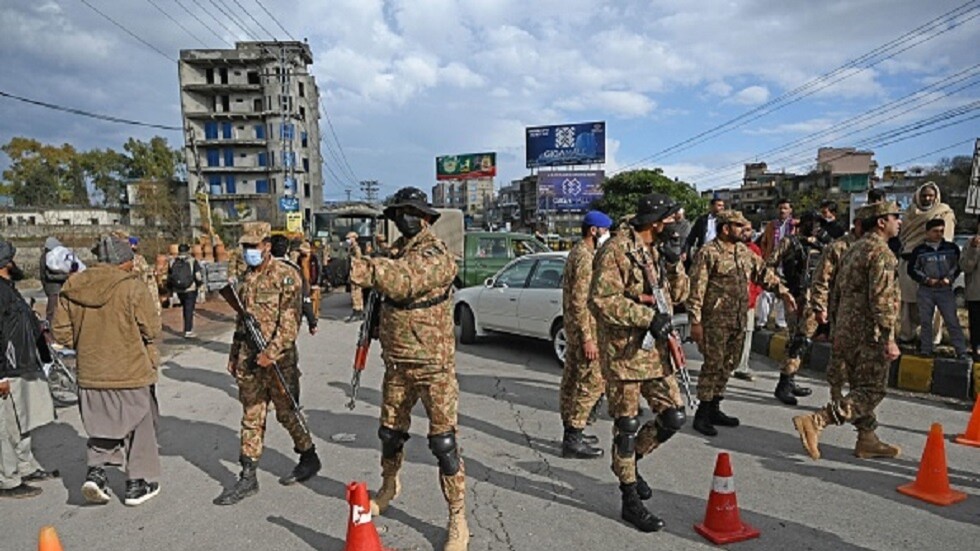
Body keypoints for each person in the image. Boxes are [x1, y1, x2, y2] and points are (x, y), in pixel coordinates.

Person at [349, 187, 468, 551]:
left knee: (443, 443)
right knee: (390, 434)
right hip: (397, 364)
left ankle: (457, 517)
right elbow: (388, 289)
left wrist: (365, 268)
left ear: (426, 218)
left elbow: (406, 280)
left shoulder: (435, 254)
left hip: (433, 366)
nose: (405, 218)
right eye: (400, 212)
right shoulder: (397, 251)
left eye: (412, 212)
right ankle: (389, 485)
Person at [589, 193, 688, 533]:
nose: (675, 224)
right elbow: (601, 301)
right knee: (627, 427)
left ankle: (629, 463)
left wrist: (675, 262)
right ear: (656, 222)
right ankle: (629, 498)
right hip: (625, 354)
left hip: (655, 353)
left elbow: (679, 295)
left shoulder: (656, 250)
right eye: (671, 219)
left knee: (673, 415)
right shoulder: (616, 249)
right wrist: (646, 317)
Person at [214, 222, 320, 506]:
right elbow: (242, 321)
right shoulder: (246, 278)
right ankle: (248, 476)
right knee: (252, 414)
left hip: (278, 361)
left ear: (267, 246)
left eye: (254, 246)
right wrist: (234, 354)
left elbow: (290, 323)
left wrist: (270, 353)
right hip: (249, 358)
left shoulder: (286, 276)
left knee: (287, 413)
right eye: (245, 246)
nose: (249, 251)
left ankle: (308, 455)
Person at [53, 236, 163, 506]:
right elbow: (151, 329)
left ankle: (96, 473)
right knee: (139, 425)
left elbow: (61, 333)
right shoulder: (132, 287)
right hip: (131, 370)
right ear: (124, 261)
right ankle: (137, 483)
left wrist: (89, 342)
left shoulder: (73, 286)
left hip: (91, 372)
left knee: (101, 425)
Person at [792, 202, 903, 461]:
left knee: (859, 385)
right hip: (869, 332)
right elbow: (882, 299)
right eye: (895, 217)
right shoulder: (881, 253)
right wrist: (889, 337)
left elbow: (838, 292)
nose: (899, 222)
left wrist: (835, 326)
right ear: (881, 222)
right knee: (872, 389)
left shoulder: (854, 249)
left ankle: (867, 439)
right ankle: (818, 420)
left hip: (847, 328)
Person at [687, 210, 794, 436]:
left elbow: (763, 274)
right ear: (726, 228)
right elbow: (696, 289)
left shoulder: (743, 252)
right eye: (739, 226)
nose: (744, 230)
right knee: (713, 365)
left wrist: (783, 292)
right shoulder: (708, 252)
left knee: (729, 364)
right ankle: (702, 414)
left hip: (738, 319)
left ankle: (715, 407)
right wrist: (695, 322)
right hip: (715, 321)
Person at [0, 240, 58, 499]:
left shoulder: (8, 288)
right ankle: (8, 480)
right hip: (7, 369)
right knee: (6, 427)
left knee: (22, 422)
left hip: (21, 365)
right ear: (4, 264)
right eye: (11, 259)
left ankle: (25, 467)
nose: (15, 263)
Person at [559, 210, 612, 460]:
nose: (607, 234)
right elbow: (580, 301)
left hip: (576, 329)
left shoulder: (581, 252)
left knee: (572, 380)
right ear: (594, 231)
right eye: (605, 230)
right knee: (590, 383)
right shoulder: (584, 258)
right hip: (584, 330)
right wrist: (588, 337)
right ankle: (574, 435)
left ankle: (571, 431)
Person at [767, 211, 828, 405]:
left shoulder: (822, 246)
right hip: (795, 297)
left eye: (818, 223)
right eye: (812, 222)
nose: (815, 227)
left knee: (803, 341)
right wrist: (782, 289)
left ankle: (790, 379)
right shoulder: (789, 242)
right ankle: (784, 384)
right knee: (796, 340)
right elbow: (770, 266)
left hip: (814, 298)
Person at [811, 220, 864, 401]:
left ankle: (857, 400)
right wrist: (820, 306)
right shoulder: (838, 247)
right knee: (840, 357)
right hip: (842, 310)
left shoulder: (874, 248)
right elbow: (821, 279)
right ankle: (836, 396)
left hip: (867, 313)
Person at [897, 182, 956, 344]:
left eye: (931, 195)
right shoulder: (909, 213)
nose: (927, 198)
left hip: (932, 263)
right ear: (918, 196)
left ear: (936, 197)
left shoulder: (944, 213)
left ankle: (932, 338)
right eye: (924, 195)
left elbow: (946, 238)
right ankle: (907, 335)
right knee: (908, 303)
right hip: (908, 261)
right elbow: (903, 236)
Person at [907, 219, 968, 359]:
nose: (939, 234)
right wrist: (926, 279)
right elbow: (912, 270)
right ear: (927, 232)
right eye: (935, 231)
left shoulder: (951, 248)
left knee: (952, 320)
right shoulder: (919, 250)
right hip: (926, 290)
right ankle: (926, 350)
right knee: (926, 321)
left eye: (941, 231)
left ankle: (961, 351)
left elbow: (958, 265)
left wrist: (949, 278)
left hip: (945, 289)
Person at [756, 198, 794, 330]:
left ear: (790, 210)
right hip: (772, 264)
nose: (782, 211)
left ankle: (780, 322)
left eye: (785, 208)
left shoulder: (794, 226)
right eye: (780, 208)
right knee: (767, 292)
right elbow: (764, 242)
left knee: (784, 293)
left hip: (787, 265)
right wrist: (765, 257)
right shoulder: (771, 225)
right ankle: (762, 321)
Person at [733, 226, 765, 381]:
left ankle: (742, 366)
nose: (746, 233)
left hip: (749, 300)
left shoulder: (754, 250)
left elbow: (761, 275)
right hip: (728, 302)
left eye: (749, 230)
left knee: (747, 332)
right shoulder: (727, 249)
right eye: (743, 230)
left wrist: (755, 293)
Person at [271, 235, 318, 335]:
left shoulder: (260, 269)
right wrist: (312, 322)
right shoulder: (294, 270)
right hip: (288, 324)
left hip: (265, 322)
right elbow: (305, 298)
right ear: (287, 250)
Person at [168, 244, 204, 338]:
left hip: (179, 290)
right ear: (188, 251)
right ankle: (188, 330)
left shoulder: (172, 262)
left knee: (185, 308)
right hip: (190, 289)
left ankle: (187, 328)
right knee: (189, 309)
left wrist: (171, 290)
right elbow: (198, 276)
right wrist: (200, 285)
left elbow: (169, 277)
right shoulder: (192, 261)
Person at [961, 222, 980, 357]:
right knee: (976, 324)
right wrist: (974, 249)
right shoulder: (970, 243)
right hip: (976, 292)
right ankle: (976, 349)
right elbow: (965, 267)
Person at [40, 237, 70, 323]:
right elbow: (49, 276)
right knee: (52, 311)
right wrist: (66, 276)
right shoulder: (47, 258)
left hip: (56, 288)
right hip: (53, 288)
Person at [346, 231, 365, 323]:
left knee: (355, 292)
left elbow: (358, 260)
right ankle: (359, 311)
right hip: (353, 272)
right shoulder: (352, 248)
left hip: (356, 272)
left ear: (354, 238)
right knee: (356, 292)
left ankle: (357, 311)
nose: (348, 240)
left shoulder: (356, 248)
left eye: (349, 238)